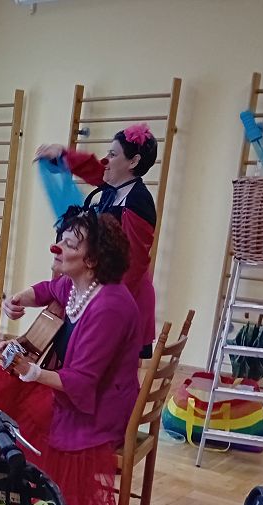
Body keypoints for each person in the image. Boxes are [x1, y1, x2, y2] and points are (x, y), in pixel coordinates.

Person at [0, 208, 142, 505]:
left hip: (94, 408)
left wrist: (31, 371)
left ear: (91, 260)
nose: (57, 248)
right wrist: (17, 301)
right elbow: (46, 289)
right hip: (70, 392)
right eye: (61, 240)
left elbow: (83, 381)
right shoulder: (78, 286)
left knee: (11, 420)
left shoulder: (110, 306)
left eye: (69, 244)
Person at [33, 123, 158, 356]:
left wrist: (104, 302)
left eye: (113, 154)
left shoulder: (138, 201)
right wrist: (61, 155)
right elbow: (94, 168)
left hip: (125, 297)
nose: (106, 159)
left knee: (114, 365)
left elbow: (133, 265)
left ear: (133, 161)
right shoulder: (112, 189)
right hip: (102, 292)